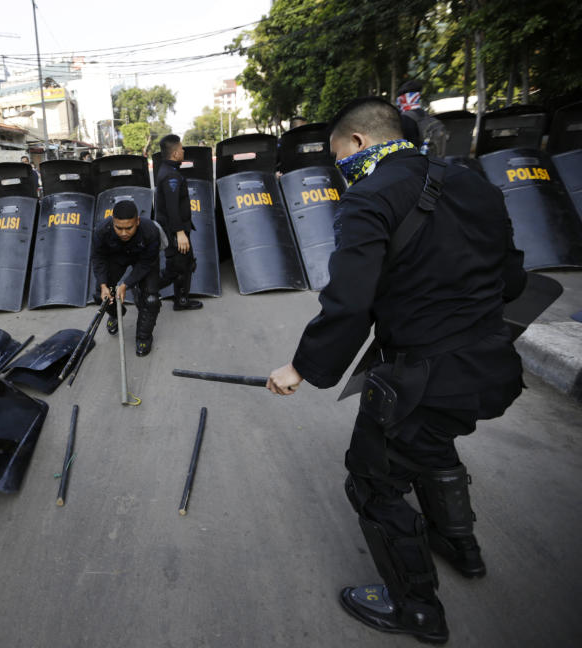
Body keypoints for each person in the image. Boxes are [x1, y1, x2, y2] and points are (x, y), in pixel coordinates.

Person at [266, 97, 526, 643]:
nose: (342, 169)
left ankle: (416, 609)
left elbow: (349, 303)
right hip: (489, 362)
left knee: (374, 481)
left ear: (359, 143)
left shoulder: (368, 198)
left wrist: (300, 368)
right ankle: (461, 546)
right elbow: (514, 280)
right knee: (430, 446)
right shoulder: (471, 181)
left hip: (419, 374)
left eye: (340, 156)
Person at [92, 200, 163, 356]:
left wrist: (126, 284)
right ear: (113, 222)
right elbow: (98, 258)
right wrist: (104, 285)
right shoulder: (102, 231)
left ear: (137, 221)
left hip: (143, 259)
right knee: (101, 295)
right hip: (117, 258)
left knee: (151, 300)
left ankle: (144, 336)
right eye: (119, 228)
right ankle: (116, 313)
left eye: (129, 228)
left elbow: (146, 264)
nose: (124, 233)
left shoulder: (150, 231)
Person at [154, 134, 202, 311]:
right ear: (175, 154)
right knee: (175, 267)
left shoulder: (170, 171)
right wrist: (179, 233)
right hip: (174, 230)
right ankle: (144, 290)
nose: (183, 151)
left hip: (179, 228)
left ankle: (181, 300)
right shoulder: (170, 176)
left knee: (186, 264)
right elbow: (172, 207)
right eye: (181, 149)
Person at [396, 80, 448, 157]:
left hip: (417, 163)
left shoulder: (406, 118)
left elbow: (408, 149)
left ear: (401, 99)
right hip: (434, 161)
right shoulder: (425, 115)